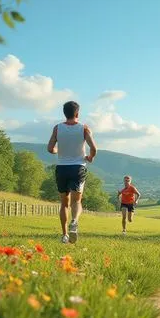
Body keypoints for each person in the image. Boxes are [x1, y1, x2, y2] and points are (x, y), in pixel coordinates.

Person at [47, 101, 97, 244]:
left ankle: (64, 235)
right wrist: (90, 157)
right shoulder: (84, 128)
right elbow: (94, 148)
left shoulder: (57, 128)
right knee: (77, 201)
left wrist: (57, 151)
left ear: (65, 113)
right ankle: (74, 222)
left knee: (64, 203)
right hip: (78, 168)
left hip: (62, 168)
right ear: (77, 113)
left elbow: (50, 148)